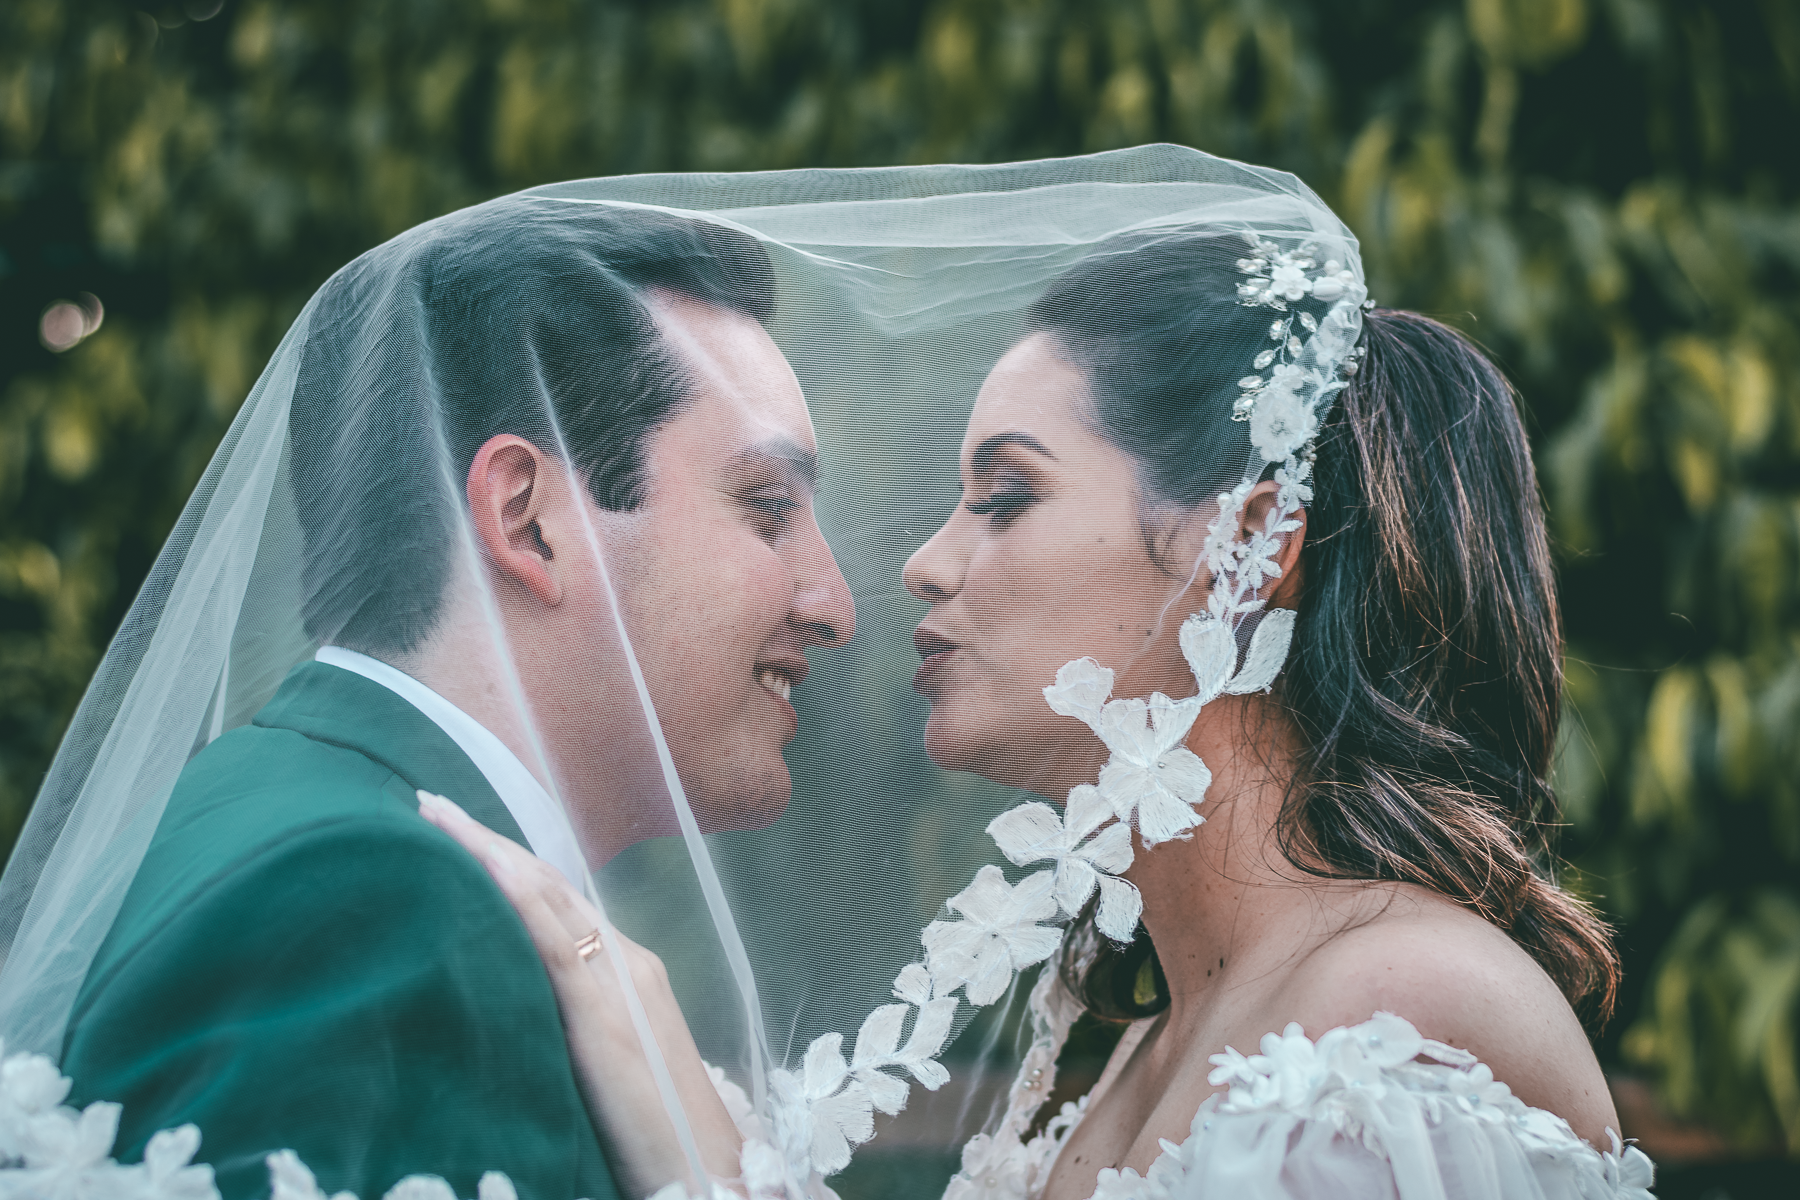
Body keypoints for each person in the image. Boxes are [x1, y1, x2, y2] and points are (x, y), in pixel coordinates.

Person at [436, 170, 1655, 1198]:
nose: (924, 564)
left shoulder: (1404, 1005)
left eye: (1007, 497)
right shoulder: (1134, 1042)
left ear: (1245, 550)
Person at [7, 197, 852, 1200]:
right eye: (767, 508)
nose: (834, 606)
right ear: (527, 519)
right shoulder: (364, 896)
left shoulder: (279, 812)